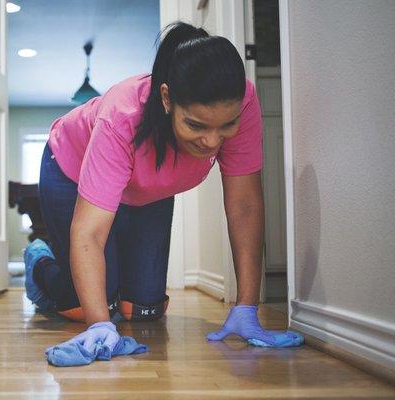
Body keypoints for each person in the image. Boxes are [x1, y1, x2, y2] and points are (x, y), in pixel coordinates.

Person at [25, 22, 303, 356]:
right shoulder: (122, 116)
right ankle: (39, 262)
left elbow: (244, 205)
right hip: (70, 167)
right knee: (87, 307)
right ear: (167, 99)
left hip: (144, 188)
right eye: (197, 125)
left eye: (225, 126)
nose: (213, 141)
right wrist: (99, 325)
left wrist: (246, 306)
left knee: (143, 309)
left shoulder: (241, 103)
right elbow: (89, 234)